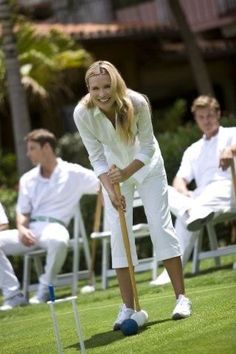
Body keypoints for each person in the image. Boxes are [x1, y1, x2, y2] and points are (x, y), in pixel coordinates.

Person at [73, 60, 192, 330]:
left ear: (116, 83)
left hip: (146, 168)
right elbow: (96, 156)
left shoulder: (137, 103)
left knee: (160, 227)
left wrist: (127, 173)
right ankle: (128, 307)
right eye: (95, 88)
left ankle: (181, 298)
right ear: (88, 88)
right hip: (115, 174)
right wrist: (110, 189)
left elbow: (148, 146)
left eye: (107, 86)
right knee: (118, 235)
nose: (102, 93)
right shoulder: (82, 113)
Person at [0, 129, 99, 311]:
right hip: (31, 230)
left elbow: (101, 184)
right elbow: (22, 211)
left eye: (32, 148)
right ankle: (13, 295)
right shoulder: (27, 179)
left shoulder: (73, 172)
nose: (28, 153)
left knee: (58, 240)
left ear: (46, 147)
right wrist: (22, 228)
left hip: (55, 226)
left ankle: (45, 290)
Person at [151, 95, 236, 286]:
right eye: (201, 117)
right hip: (201, 197)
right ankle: (191, 211)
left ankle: (172, 270)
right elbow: (180, 179)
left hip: (228, 189)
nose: (206, 121)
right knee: (163, 189)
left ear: (218, 114)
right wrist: (183, 190)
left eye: (209, 116)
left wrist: (231, 149)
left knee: (190, 210)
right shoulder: (193, 149)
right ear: (196, 119)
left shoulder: (232, 133)